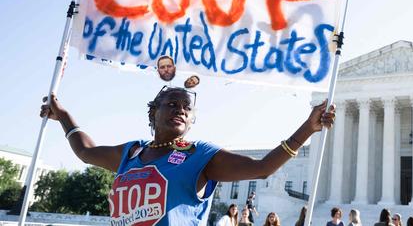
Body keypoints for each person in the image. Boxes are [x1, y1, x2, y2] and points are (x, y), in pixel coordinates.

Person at [39, 87, 335, 226]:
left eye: (186, 107)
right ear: (153, 111)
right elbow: (85, 152)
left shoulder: (199, 156)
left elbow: (262, 168)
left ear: (192, 120)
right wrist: (63, 115)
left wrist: (307, 128)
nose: (180, 109)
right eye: (171, 103)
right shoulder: (132, 152)